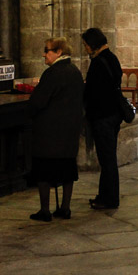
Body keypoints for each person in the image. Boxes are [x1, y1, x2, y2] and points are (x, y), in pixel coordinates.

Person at [27, 37, 84, 222]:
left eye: (47, 50)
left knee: (44, 170)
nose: (44, 54)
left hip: (49, 132)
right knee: (67, 168)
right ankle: (65, 208)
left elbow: (38, 101)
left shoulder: (53, 73)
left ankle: (45, 210)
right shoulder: (74, 71)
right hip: (69, 131)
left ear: (59, 52)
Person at [82, 27, 123, 210]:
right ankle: (105, 196)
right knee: (108, 158)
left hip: (103, 117)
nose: (85, 49)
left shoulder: (99, 62)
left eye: (85, 45)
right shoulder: (112, 59)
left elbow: (93, 92)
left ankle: (109, 199)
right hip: (114, 115)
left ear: (92, 44)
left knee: (107, 160)